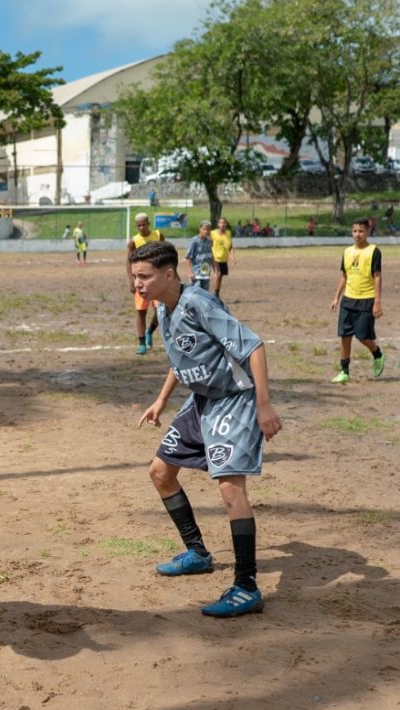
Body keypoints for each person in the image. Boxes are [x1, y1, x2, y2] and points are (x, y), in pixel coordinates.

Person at [132, 240, 282, 618]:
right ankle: (198, 553)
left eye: (145, 276)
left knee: (230, 487)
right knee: (160, 472)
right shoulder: (164, 308)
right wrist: (161, 401)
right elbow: (181, 358)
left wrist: (264, 406)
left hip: (234, 398)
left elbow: (254, 346)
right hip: (200, 400)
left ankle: (246, 586)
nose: (138, 284)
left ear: (169, 274)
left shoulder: (199, 302)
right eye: (135, 277)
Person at [329, 218, 385, 384]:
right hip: (348, 300)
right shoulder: (347, 251)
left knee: (362, 336)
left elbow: (377, 276)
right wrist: (336, 297)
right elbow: (344, 275)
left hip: (366, 299)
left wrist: (377, 301)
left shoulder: (374, 251)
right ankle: (344, 371)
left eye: (361, 231)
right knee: (345, 335)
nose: (357, 234)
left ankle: (378, 354)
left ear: (368, 232)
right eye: (354, 231)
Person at [128, 213, 162, 354]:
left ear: (148, 223)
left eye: (143, 224)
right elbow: (129, 261)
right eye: (139, 225)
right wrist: (132, 280)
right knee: (141, 312)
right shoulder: (134, 241)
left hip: (156, 280)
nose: (141, 227)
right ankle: (141, 343)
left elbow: (165, 254)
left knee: (160, 312)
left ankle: (150, 331)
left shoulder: (158, 235)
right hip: (141, 281)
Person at [210, 217, 236, 298]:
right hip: (215, 258)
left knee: (220, 277)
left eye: (224, 223)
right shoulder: (213, 233)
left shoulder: (228, 233)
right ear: (218, 224)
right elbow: (209, 245)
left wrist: (233, 256)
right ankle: (215, 295)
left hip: (224, 259)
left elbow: (230, 246)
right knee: (218, 275)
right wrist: (210, 256)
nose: (222, 224)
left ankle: (217, 293)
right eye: (221, 223)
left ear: (226, 224)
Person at [185, 220, 214, 290]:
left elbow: (211, 256)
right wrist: (190, 272)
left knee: (205, 295)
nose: (206, 231)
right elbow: (188, 257)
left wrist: (215, 269)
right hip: (196, 274)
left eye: (208, 229)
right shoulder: (194, 241)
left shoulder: (209, 241)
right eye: (204, 229)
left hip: (206, 274)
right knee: (195, 294)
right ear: (200, 229)